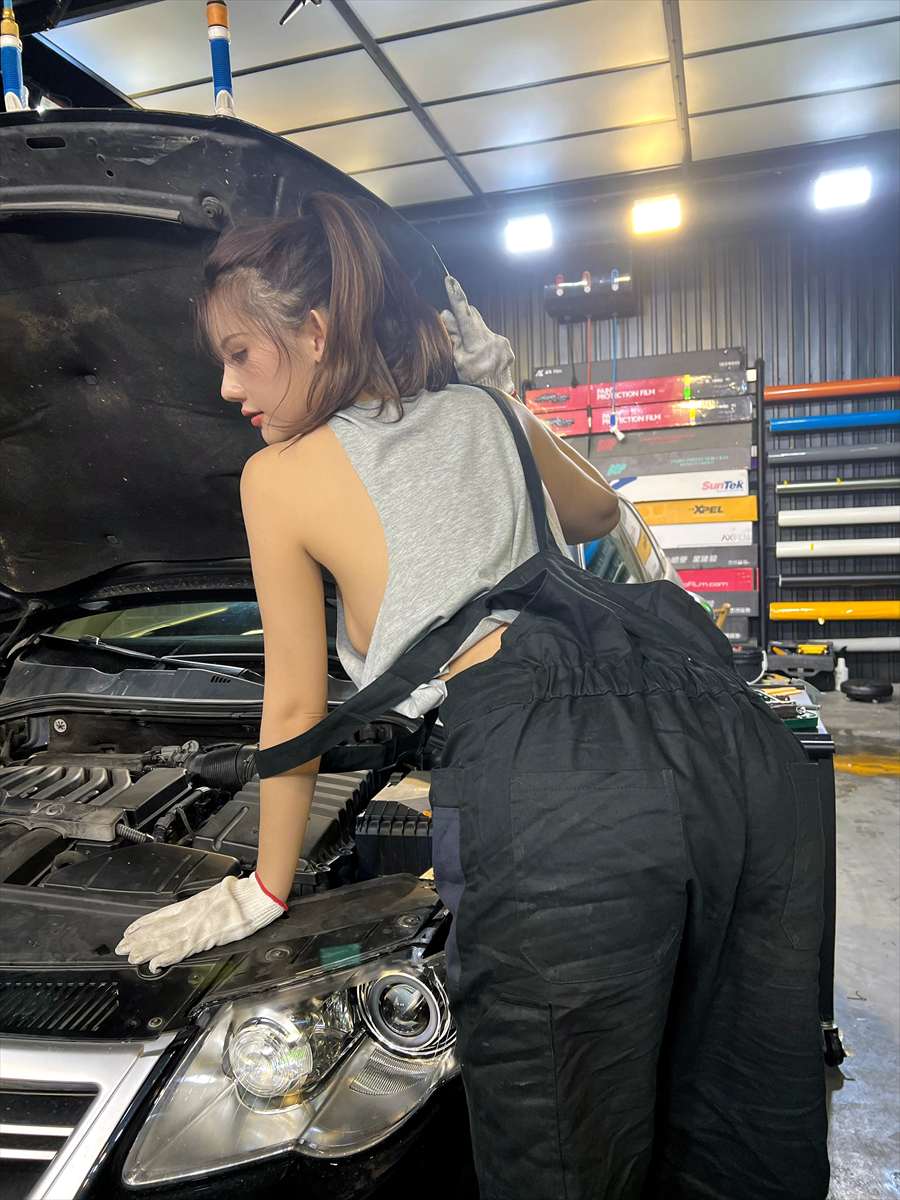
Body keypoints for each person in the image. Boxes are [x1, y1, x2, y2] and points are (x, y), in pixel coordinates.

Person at [116, 193, 829, 1200]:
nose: (228, 386)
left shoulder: (278, 477)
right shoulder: (486, 412)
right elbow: (599, 510)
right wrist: (505, 399)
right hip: (731, 751)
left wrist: (266, 886)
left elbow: (293, 711)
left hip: (554, 786)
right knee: (735, 1114)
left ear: (313, 332)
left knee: (564, 1142)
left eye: (239, 353)